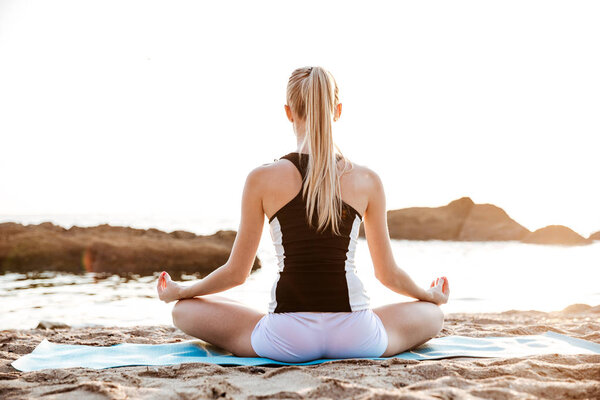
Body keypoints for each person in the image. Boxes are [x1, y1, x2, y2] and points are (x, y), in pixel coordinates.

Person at [156, 66, 450, 362]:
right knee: (432, 315)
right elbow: (388, 275)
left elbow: (236, 273)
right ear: (337, 110)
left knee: (183, 310)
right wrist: (430, 295)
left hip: (285, 338)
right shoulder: (367, 180)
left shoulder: (261, 178)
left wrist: (183, 290)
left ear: (288, 112)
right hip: (358, 336)